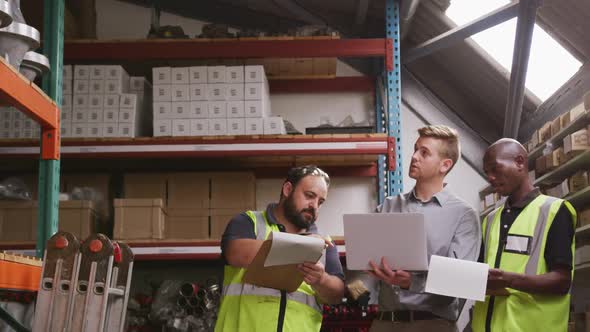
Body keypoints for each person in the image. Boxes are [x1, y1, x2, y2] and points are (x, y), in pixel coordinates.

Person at [361, 125, 481, 332]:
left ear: (445, 165)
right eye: (415, 149)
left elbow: (462, 281)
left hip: (434, 325)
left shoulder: (464, 215)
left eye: (424, 153)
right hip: (384, 323)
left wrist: (412, 282)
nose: (414, 156)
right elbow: (369, 262)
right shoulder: (387, 207)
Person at [215, 165, 345, 332]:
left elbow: (336, 295)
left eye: (320, 202)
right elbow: (235, 253)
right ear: (288, 189)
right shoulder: (248, 222)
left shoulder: (324, 244)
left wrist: (321, 280)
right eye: (309, 196)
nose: (314, 206)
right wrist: (302, 245)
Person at [472, 138, 576, 332]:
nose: (491, 178)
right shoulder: (491, 219)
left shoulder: (554, 211)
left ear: (520, 162)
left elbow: (562, 281)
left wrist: (510, 280)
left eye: (495, 169)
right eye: (487, 173)